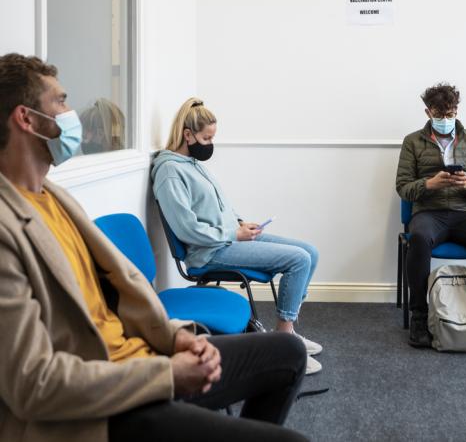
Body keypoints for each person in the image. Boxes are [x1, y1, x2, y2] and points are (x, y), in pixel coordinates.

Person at [0, 53, 309, 442]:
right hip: (104, 404)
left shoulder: (56, 197)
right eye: (60, 102)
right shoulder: (6, 226)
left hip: (144, 357)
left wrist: (176, 337)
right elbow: (33, 385)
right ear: (25, 119)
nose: (71, 113)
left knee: (288, 354)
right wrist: (167, 375)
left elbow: (116, 302)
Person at [152, 98, 322, 375]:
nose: (209, 144)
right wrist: (233, 232)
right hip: (209, 251)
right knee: (299, 260)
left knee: (310, 252)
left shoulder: (192, 164)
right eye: (206, 137)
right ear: (187, 134)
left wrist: (241, 223)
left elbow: (219, 207)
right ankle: (284, 338)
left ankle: (287, 330)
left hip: (229, 238)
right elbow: (186, 229)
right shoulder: (169, 172)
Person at [396, 83, 466, 352]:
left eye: (451, 113)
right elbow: (403, 187)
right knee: (420, 238)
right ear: (428, 112)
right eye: (440, 114)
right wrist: (428, 185)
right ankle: (419, 316)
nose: (446, 119)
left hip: (463, 214)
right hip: (428, 213)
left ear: (457, 111)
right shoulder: (412, 141)